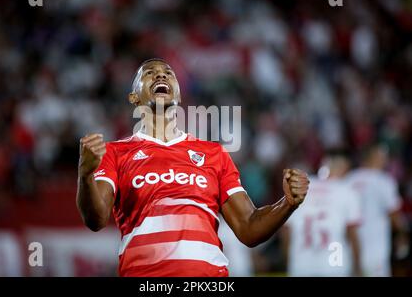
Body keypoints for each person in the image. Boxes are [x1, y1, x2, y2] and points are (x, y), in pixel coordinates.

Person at [76, 58, 309, 277]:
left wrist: (287, 203)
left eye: (168, 73)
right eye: (150, 73)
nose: (161, 76)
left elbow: (248, 228)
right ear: (133, 98)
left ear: (178, 93)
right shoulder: (115, 153)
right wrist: (86, 174)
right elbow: (95, 220)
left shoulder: (214, 154)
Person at [282, 150, 362, 276]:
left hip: (301, 264)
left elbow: (286, 230)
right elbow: (352, 234)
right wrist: (358, 267)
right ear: (344, 167)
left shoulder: (301, 186)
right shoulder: (346, 190)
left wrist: (289, 260)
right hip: (335, 263)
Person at [345, 144, 410, 276]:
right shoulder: (384, 181)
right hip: (375, 250)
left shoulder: (348, 179)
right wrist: (403, 235)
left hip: (348, 250)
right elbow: (394, 215)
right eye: (382, 157)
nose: (385, 161)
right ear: (374, 158)